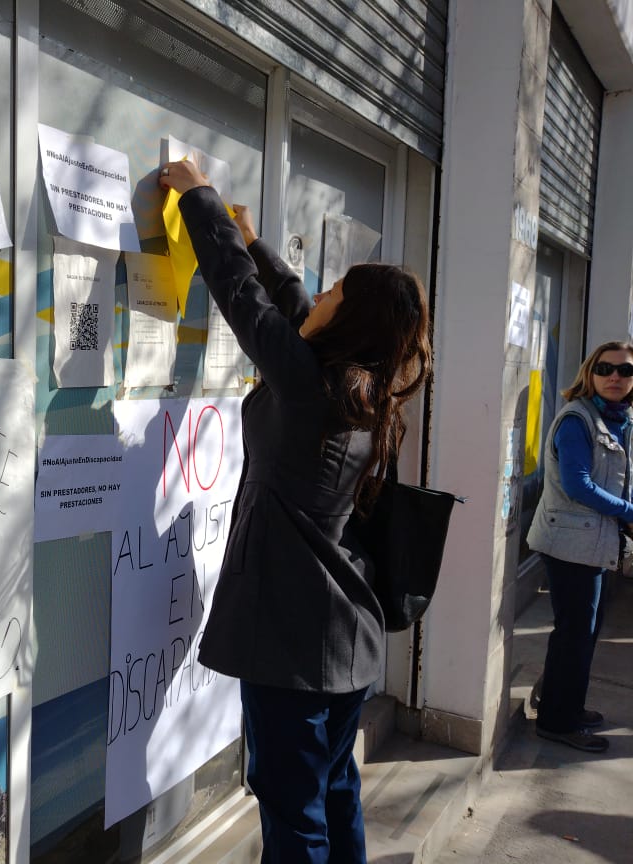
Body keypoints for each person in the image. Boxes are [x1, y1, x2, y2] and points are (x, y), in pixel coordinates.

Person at [158, 160, 431, 864]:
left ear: (353, 318)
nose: (323, 294)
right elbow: (293, 303)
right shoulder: (365, 397)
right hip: (347, 641)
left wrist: (199, 199)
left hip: (294, 646)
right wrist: (252, 240)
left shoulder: (313, 391)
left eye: (338, 289)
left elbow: (245, 300)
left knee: (292, 808)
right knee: (333, 788)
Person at [525, 341, 633, 753]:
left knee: (584, 632)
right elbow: (577, 484)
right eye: (606, 369)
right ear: (590, 372)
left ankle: (563, 705)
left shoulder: (620, 419)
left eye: (625, 371)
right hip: (569, 542)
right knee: (575, 633)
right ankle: (556, 720)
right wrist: (628, 511)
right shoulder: (578, 420)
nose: (615, 377)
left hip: (595, 541)